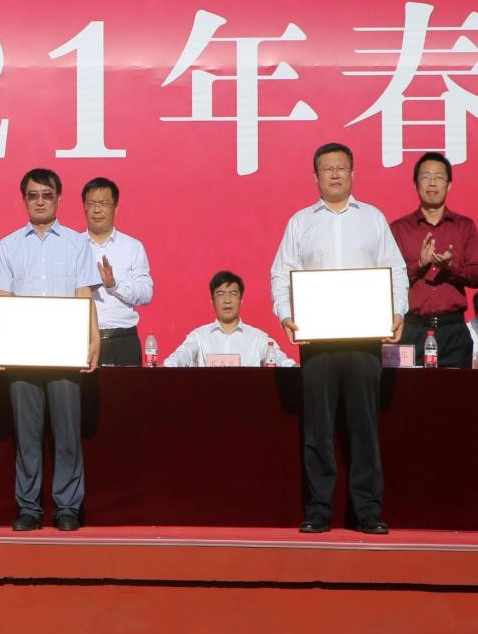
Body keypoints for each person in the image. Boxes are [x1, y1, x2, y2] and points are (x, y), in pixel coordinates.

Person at [271, 143, 408, 535]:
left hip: (364, 339)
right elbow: (282, 273)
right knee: (317, 429)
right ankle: (319, 509)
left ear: (353, 173)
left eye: (341, 167)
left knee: (364, 427)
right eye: (327, 169)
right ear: (315, 177)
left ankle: (367, 510)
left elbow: (396, 270)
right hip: (318, 342)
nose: (334, 174)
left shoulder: (373, 219)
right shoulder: (300, 222)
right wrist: (287, 315)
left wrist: (398, 311)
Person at [0, 168, 101, 532]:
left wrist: (94, 339)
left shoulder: (77, 243)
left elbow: (85, 294)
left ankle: (67, 508)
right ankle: (29, 508)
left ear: (58, 199)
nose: (40, 201)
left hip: (66, 352)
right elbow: (2, 298)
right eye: (33, 195)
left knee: (67, 434)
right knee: (27, 436)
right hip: (22, 353)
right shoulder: (8, 245)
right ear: (24, 199)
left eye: (47, 195)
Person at [389, 152, 478, 367]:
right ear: (415, 184)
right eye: (426, 176)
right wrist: (419, 265)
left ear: (449, 185)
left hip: (453, 331)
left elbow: (476, 275)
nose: (432, 183)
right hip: (412, 330)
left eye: (439, 177)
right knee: (408, 388)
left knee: (456, 389)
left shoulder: (464, 227)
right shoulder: (399, 229)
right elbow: (389, 280)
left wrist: (451, 266)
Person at [81, 177, 153, 366]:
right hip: (82, 338)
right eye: (92, 204)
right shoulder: (73, 247)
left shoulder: (132, 247)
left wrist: (114, 285)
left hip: (122, 340)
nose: (97, 210)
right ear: (85, 208)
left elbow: (146, 294)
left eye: (103, 203)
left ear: (116, 208)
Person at [163, 271, 294, 367]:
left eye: (233, 293)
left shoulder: (258, 337)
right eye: (221, 294)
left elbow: (278, 357)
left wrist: (291, 366)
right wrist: (168, 366)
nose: (227, 300)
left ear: (241, 301)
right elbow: (182, 354)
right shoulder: (199, 336)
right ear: (212, 302)